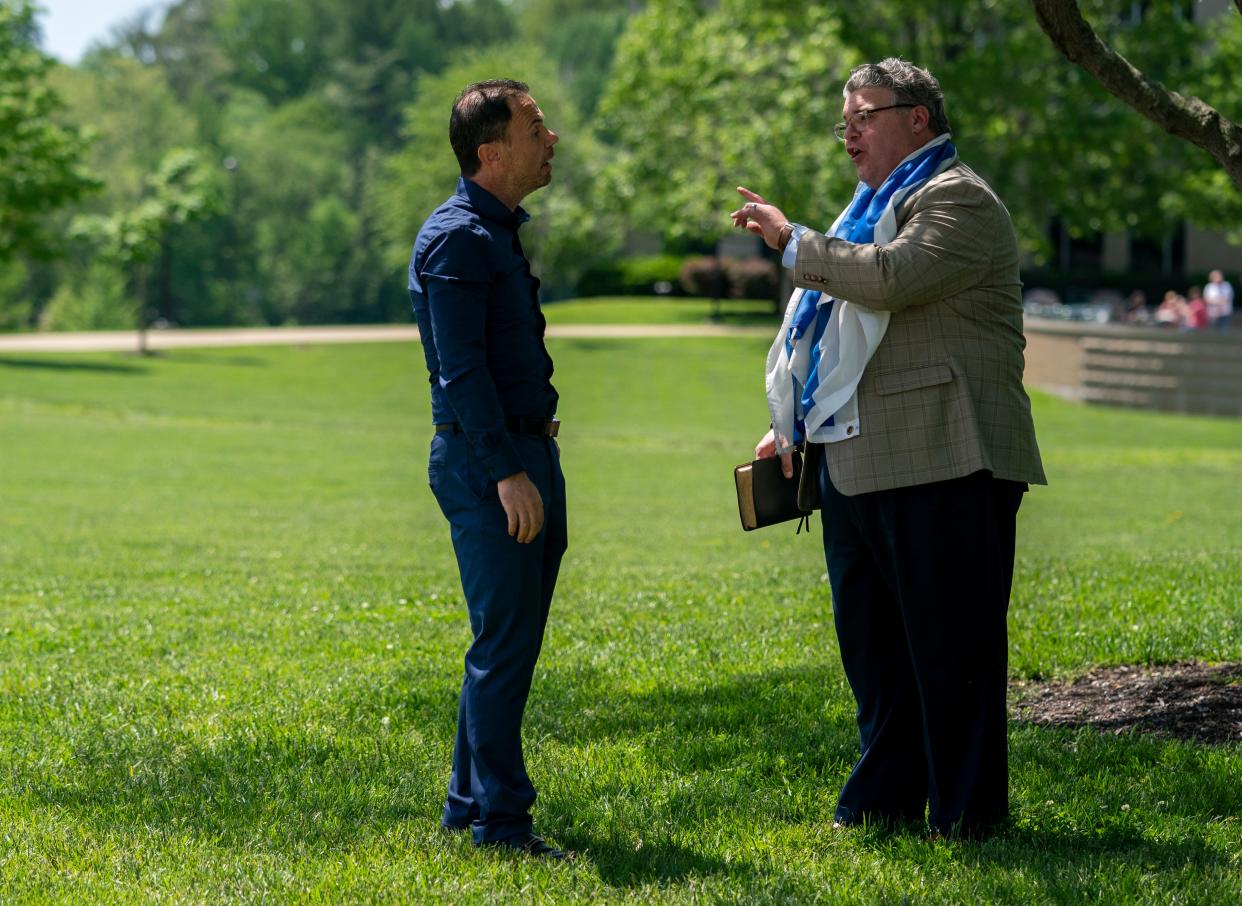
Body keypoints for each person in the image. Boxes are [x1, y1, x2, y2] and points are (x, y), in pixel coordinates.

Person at [730, 58, 1046, 838]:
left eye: (866, 114)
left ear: (920, 119)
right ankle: (885, 805)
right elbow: (844, 328)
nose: (851, 131)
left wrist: (790, 237)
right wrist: (796, 415)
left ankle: (969, 819)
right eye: (846, 119)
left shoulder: (958, 200)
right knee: (877, 660)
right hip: (857, 457)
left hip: (948, 456)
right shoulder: (867, 209)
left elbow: (891, 279)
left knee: (953, 655)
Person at [407, 79, 568, 859]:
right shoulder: (458, 237)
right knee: (503, 646)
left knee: (511, 643)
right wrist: (507, 471)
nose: (552, 138)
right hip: (489, 459)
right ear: (491, 152)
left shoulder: (494, 231)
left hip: (525, 449)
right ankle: (503, 825)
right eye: (536, 127)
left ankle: (467, 806)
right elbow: (460, 372)